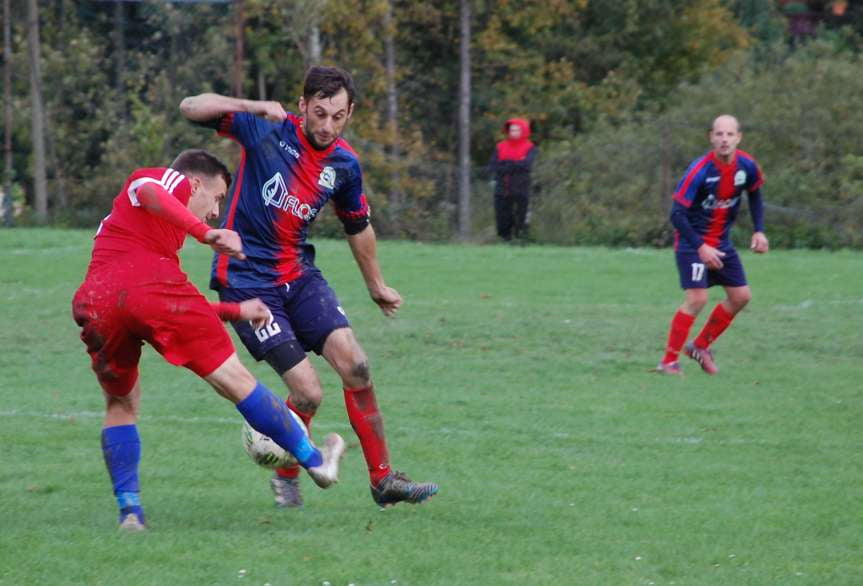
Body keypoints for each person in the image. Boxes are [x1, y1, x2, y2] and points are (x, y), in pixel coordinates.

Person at [179, 66, 438, 509]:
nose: (327, 125)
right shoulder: (264, 130)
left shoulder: (344, 165)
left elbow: (359, 226)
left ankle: (383, 480)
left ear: (350, 113)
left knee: (356, 365)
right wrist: (252, 106)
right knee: (308, 392)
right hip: (245, 282)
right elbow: (190, 108)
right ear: (302, 106)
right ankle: (286, 474)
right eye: (319, 113)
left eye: (338, 116)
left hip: (297, 275)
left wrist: (376, 285)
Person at [72, 149, 346, 531]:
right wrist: (207, 234)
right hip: (142, 289)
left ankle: (130, 512)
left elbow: (157, 300)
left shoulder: (152, 236)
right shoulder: (169, 181)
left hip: (97, 300)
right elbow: (149, 191)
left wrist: (235, 311)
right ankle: (315, 460)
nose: (216, 211)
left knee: (120, 402)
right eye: (217, 198)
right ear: (195, 184)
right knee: (236, 381)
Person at [657, 115, 769, 375]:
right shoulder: (699, 170)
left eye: (730, 134)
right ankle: (668, 362)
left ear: (738, 138)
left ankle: (700, 347)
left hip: (721, 244)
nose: (724, 139)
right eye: (719, 134)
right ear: (711, 137)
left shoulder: (747, 166)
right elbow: (676, 214)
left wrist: (760, 231)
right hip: (691, 243)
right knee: (697, 299)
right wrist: (700, 247)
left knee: (741, 297)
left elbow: (755, 194)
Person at [489, 118, 538, 241]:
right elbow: (494, 166)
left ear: (523, 131)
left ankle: (521, 239)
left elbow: (527, 165)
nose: (514, 133)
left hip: (521, 188)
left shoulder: (529, 147)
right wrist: (515, 164)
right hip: (502, 189)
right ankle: (504, 241)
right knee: (502, 217)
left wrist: (506, 164)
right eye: (511, 130)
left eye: (517, 130)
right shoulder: (500, 147)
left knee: (521, 216)